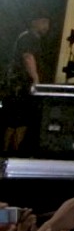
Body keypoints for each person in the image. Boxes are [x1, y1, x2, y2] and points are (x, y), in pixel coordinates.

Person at [3, 15, 51, 153]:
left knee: (15, 122)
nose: (46, 26)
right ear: (34, 22)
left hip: (20, 86)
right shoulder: (28, 37)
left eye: (48, 23)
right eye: (43, 22)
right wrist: (36, 80)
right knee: (19, 122)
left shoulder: (32, 39)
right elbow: (28, 57)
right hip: (21, 86)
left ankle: (9, 153)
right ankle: (13, 154)